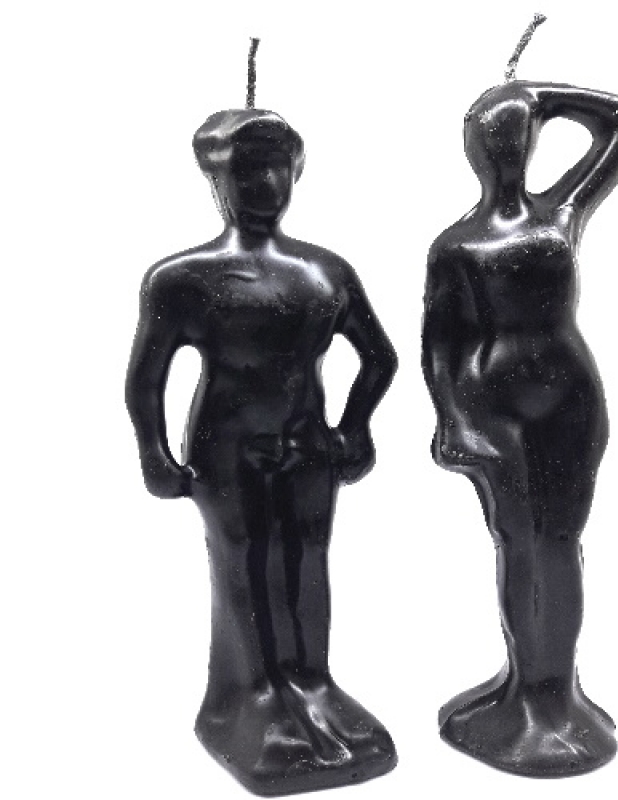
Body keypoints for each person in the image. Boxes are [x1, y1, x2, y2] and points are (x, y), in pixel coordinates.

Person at [126, 109, 398, 795]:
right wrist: (154, 453)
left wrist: (355, 428)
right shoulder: (183, 278)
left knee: (307, 558)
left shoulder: (325, 271)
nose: (265, 183)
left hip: (308, 444)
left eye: (277, 167)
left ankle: (311, 683)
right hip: (227, 449)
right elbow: (146, 378)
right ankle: (248, 697)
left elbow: (379, 357)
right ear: (216, 179)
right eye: (246, 170)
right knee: (244, 561)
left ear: (296, 174)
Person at [423, 81, 618, 776]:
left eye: (520, 136)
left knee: (559, 542)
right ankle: (527, 690)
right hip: (497, 411)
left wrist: (534, 93)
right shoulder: (457, 245)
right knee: (521, 543)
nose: (507, 151)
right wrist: (454, 422)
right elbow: (440, 347)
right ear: (471, 150)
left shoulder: (564, 212)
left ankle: (555, 693)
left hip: (569, 398)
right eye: (493, 139)